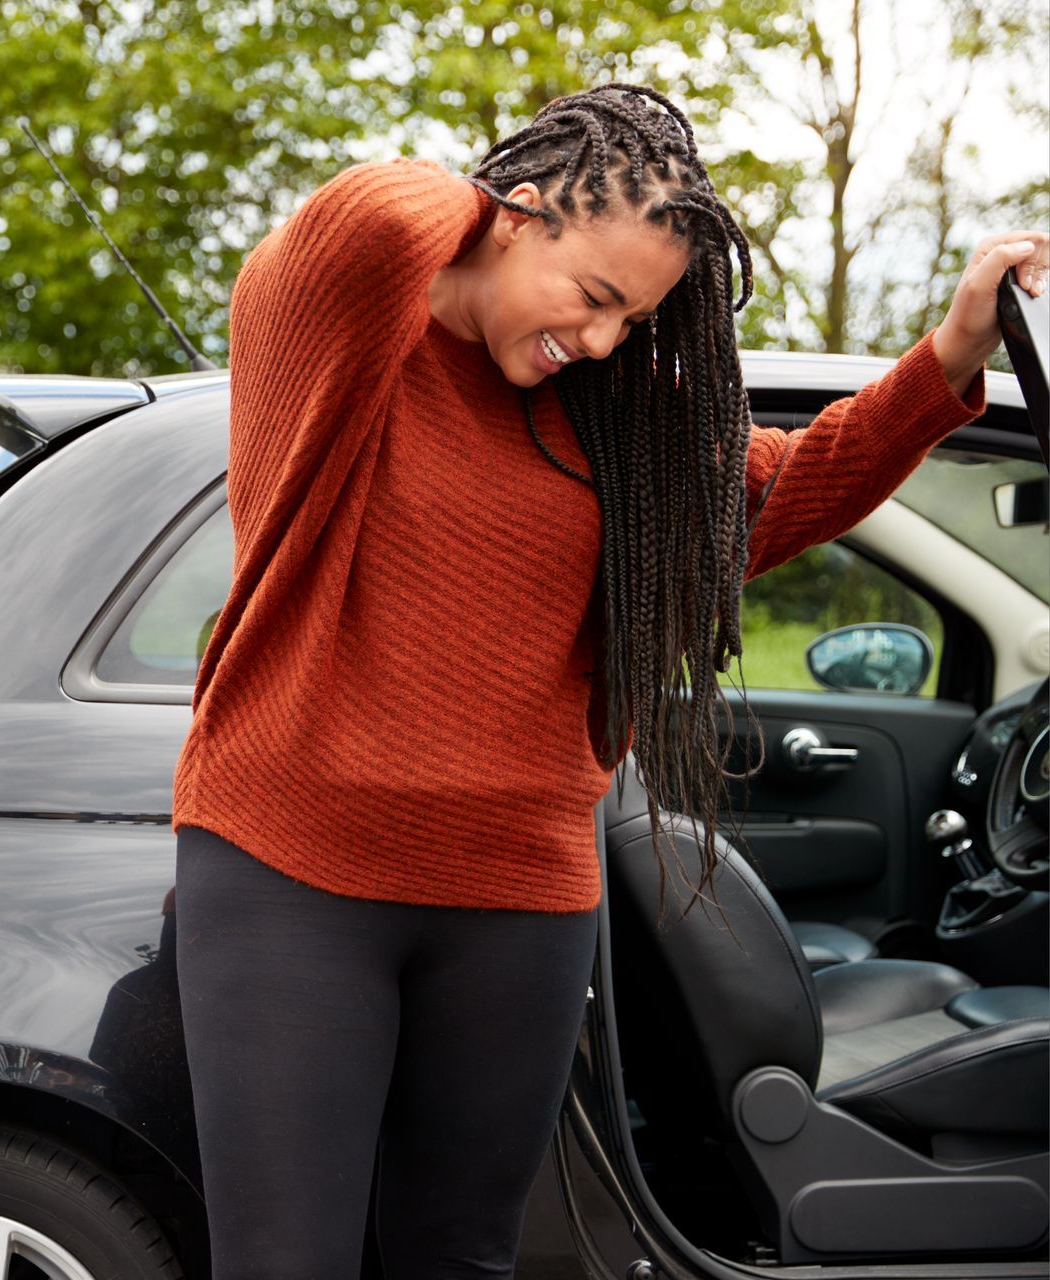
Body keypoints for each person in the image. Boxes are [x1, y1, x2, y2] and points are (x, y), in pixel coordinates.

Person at [169, 82, 1048, 1279]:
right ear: (517, 213)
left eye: (632, 321)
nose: (598, 341)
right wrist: (496, 197)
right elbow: (375, 215)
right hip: (292, 876)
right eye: (593, 296)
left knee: (465, 1257)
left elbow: (787, 485)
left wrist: (951, 352)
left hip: (522, 896)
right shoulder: (343, 330)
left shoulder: (610, 425)